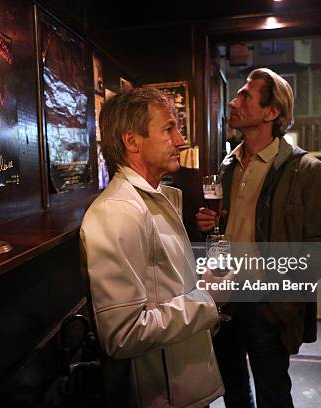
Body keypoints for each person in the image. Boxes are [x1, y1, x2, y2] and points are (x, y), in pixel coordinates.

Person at [196, 68, 321, 408]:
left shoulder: (307, 170)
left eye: (245, 95)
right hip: (225, 299)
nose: (234, 101)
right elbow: (227, 229)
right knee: (232, 390)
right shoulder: (228, 164)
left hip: (267, 304)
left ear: (272, 112)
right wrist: (208, 227)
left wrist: (279, 303)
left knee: (273, 395)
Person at [80, 88, 224, 407]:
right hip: (161, 395)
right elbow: (123, 335)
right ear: (132, 141)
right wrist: (208, 300)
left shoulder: (157, 198)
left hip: (183, 386)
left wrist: (201, 285)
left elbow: (165, 290)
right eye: (169, 128)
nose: (181, 140)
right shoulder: (117, 211)